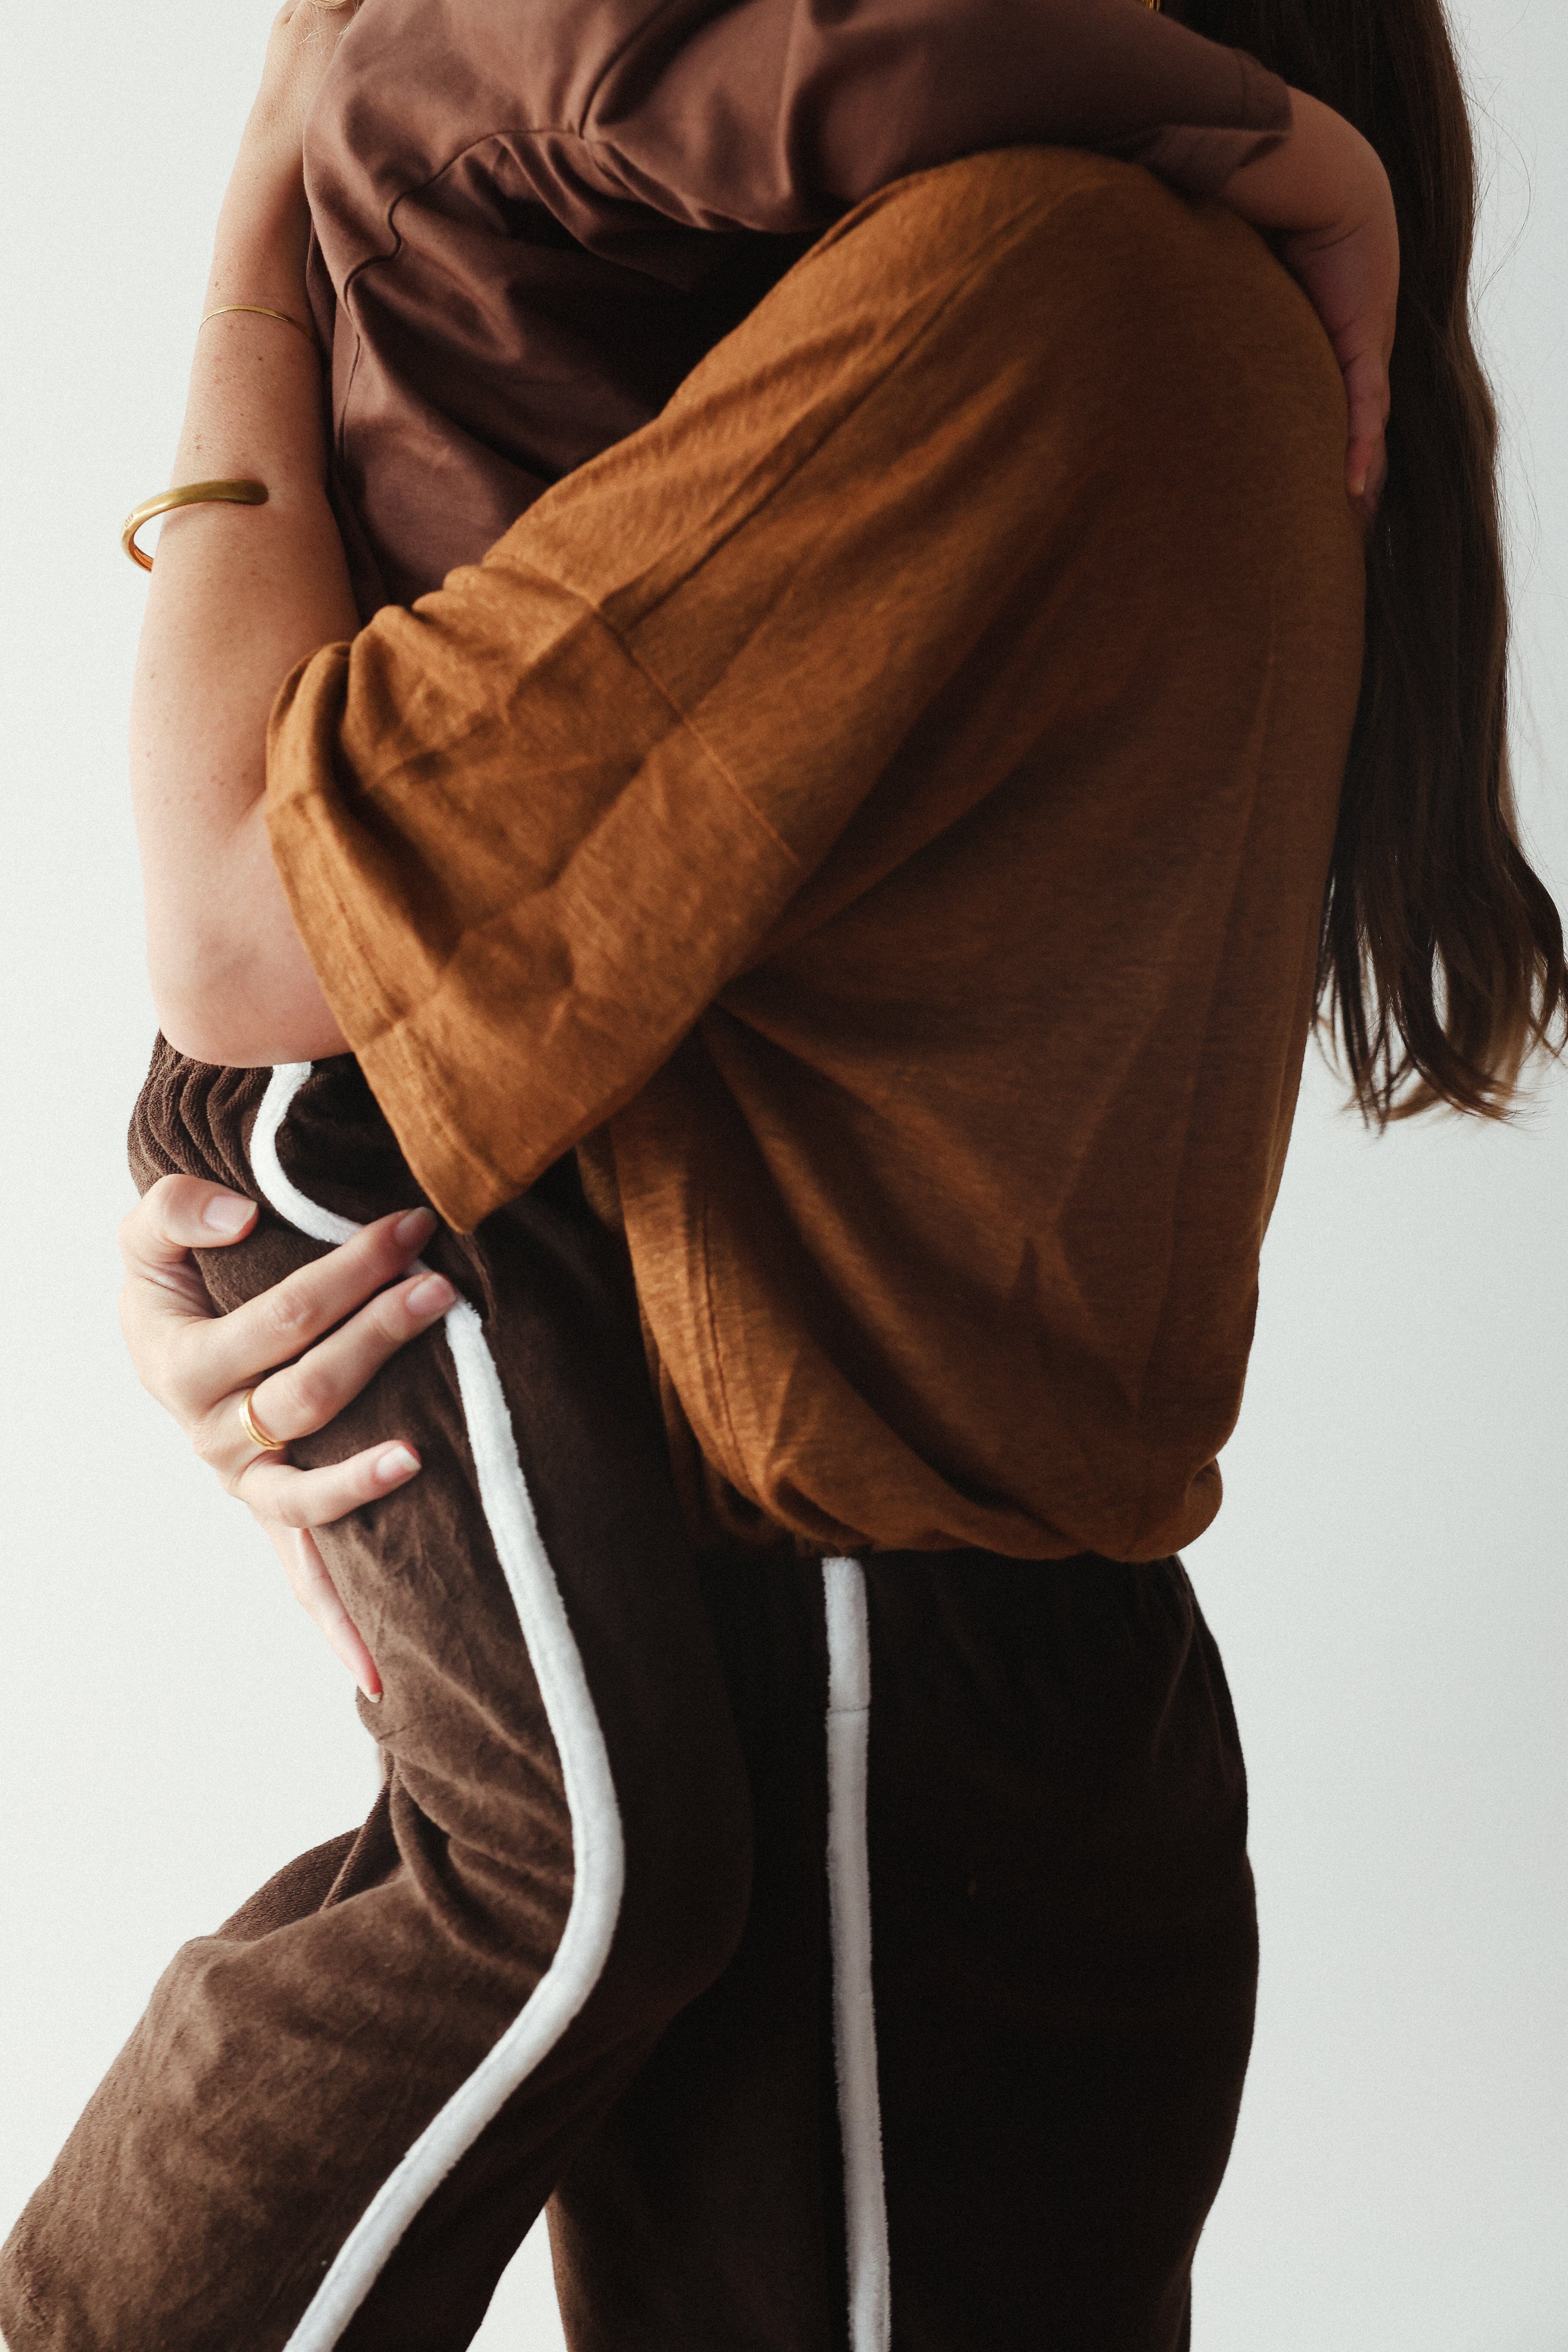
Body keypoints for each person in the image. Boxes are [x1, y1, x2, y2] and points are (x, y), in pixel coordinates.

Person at [3, 0, 1563, 2348]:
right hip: (1020, 1727)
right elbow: (534, 974)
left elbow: (242, 929)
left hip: (865, 1744)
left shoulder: (1041, 286)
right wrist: (261, 1233)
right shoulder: (1194, 321)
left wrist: (256, 262)